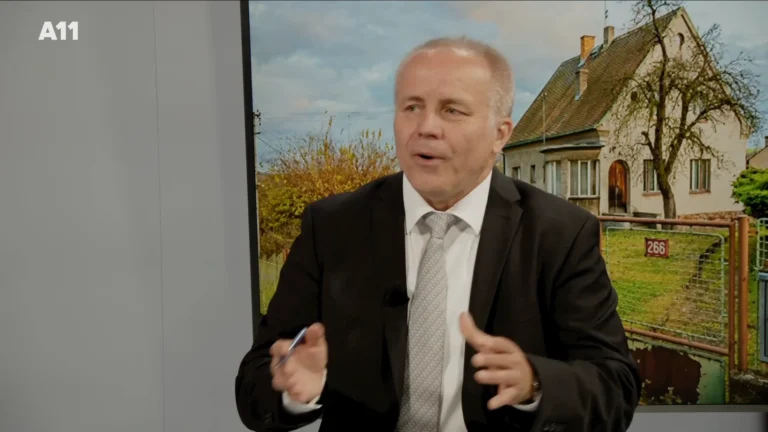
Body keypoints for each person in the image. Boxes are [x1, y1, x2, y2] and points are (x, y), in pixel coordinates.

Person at [235, 36, 641, 432]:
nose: (426, 127)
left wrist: (535, 383)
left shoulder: (560, 234)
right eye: (412, 107)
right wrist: (293, 390)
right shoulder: (332, 227)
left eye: (452, 110)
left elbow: (615, 386)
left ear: (500, 134)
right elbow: (255, 384)